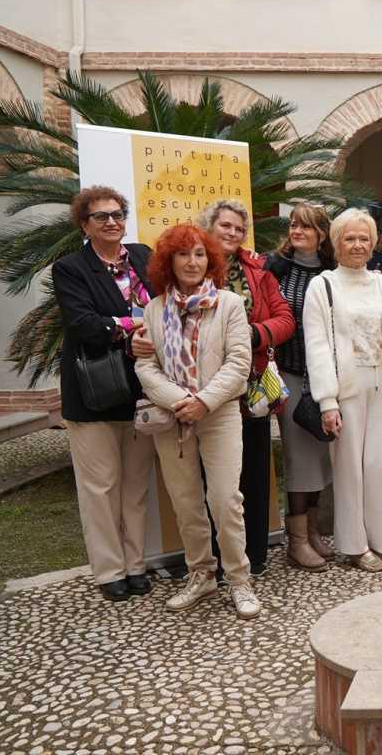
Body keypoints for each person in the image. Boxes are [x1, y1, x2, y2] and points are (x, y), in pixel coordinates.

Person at [134, 224, 259, 619]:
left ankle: (239, 580)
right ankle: (201, 574)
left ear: (211, 261)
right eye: (183, 254)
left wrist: (203, 401)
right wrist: (179, 401)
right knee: (186, 503)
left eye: (200, 254)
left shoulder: (229, 304)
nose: (192, 262)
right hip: (172, 418)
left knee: (225, 501)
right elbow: (145, 365)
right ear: (168, 261)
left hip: (218, 414)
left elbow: (239, 364)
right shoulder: (154, 309)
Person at [53, 186, 157, 603]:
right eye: (101, 217)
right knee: (100, 487)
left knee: (135, 485)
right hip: (94, 391)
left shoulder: (144, 257)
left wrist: (128, 325)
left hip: (142, 390)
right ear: (85, 225)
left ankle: (135, 564)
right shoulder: (71, 268)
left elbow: (164, 305)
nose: (112, 221)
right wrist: (133, 332)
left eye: (117, 214)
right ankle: (109, 569)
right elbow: (84, 324)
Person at [304, 208, 382, 571]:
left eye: (363, 238)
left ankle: (379, 539)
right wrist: (327, 401)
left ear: (373, 243)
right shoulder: (323, 286)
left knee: (380, 465)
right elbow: (317, 345)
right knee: (349, 468)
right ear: (336, 244)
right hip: (345, 389)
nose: (357, 244)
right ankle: (354, 544)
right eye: (349, 238)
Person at [197, 199, 295, 577]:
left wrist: (253, 334)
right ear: (210, 226)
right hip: (207, 388)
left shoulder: (258, 271)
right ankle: (218, 560)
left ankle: (254, 555)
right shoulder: (192, 266)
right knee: (216, 478)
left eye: (239, 229)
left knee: (253, 473)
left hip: (251, 390)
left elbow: (284, 319)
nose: (233, 234)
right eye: (226, 226)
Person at [265, 202, 337, 571]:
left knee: (319, 454)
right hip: (290, 374)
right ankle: (296, 542)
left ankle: (311, 532)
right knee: (299, 457)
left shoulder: (332, 271)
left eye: (306, 227)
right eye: (293, 225)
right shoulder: (273, 268)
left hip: (324, 376)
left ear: (321, 234)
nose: (297, 231)